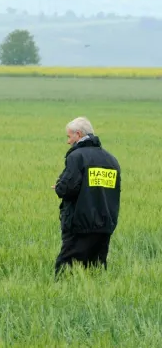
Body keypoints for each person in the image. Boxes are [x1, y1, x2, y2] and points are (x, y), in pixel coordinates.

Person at [52, 116, 121, 276]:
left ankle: (64, 299)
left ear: (78, 134)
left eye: (69, 136)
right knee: (96, 271)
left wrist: (59, 185)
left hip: (79, 224)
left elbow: (66, 189)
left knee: (65, 271)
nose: (68, 142)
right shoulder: (111, 160)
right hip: (105, 224)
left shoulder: (77, 157)